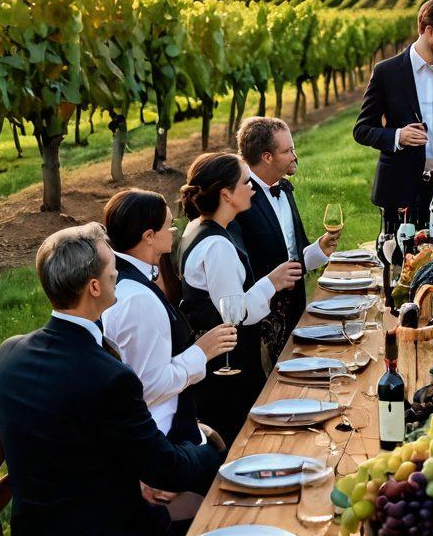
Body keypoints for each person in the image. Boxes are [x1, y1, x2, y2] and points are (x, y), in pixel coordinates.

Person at [0, 224, 223, 536]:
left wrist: (133, 476)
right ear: (94, 287)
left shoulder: (9, 355)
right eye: (113, 270)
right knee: (214, 520)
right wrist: (212, 449)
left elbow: (62, 439)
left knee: (185, 504)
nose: (118, 276)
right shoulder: (107, 376)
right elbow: (167, 468)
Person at [178, 152, 303, 445]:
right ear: (226, 194)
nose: (252, 188)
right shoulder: (217, 246)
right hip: (227, 371)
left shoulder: (197, 227)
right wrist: (271, 282)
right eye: (246, 183)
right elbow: (233, 314)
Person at [100, 188, 237, 443]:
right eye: (168, 225)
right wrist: (202, 352)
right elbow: (147, 387)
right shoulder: (137, 299)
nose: (173, 230)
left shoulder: (130, 276)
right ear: (149, 236)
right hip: (163, 436)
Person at [353, 0, 433, 231]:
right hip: (401, 188)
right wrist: (397, 136)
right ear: (429, 30)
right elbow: (362, 130)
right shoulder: (387, 72)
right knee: (400, 261)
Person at [231, 117, 340, 369]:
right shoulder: (240, 200)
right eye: (288, 150)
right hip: (261, 324)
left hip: (296, 309)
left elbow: (291, 255)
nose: (294, 155)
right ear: (267, 157)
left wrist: (319, 250)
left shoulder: (283, 188)